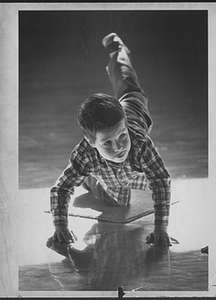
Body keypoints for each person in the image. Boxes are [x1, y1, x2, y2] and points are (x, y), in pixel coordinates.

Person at [50, 33, 171, 246]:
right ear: (91, 143)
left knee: (127, 81)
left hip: (132, 108)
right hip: (104, 171)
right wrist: (60, 226)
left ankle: (118, 51)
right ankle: (90, 179)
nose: (119, 147)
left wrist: (160, 228)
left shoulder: (140, 145)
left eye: (122, 136)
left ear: (125, 126)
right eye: (107, 143)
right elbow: (61, 188)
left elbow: (160, 181)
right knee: (119, 203)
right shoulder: (84, 154)